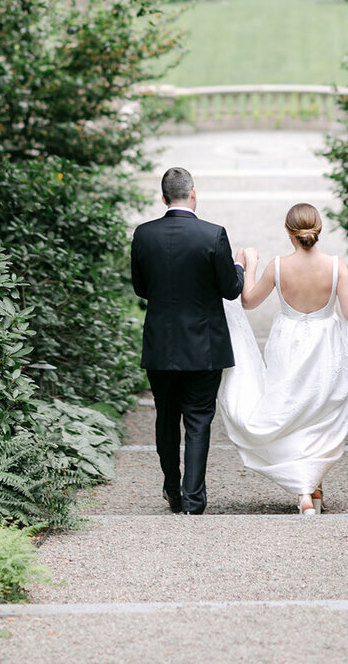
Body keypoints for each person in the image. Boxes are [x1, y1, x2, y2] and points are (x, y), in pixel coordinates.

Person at [217, 202, 348, 515]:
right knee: (319, 415)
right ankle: (311, 489)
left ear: (289, 232)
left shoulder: (279, 266)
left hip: (288, 346)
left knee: (292, 412)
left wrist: (251, 264)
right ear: (317, 231)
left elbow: (249, 301)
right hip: (325, 347)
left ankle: (306, 492)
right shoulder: (336, 266)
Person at [131, 166, 244, 514]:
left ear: (163, 197)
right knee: (198, 418)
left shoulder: (144, 234)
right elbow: (230, 289)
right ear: (193, 193)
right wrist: (238, 266)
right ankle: (193, 499)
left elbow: (140, 289)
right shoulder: (213, 235)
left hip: (161, 343)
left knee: (166, 416)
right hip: (203, 345)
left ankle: (171, 488)